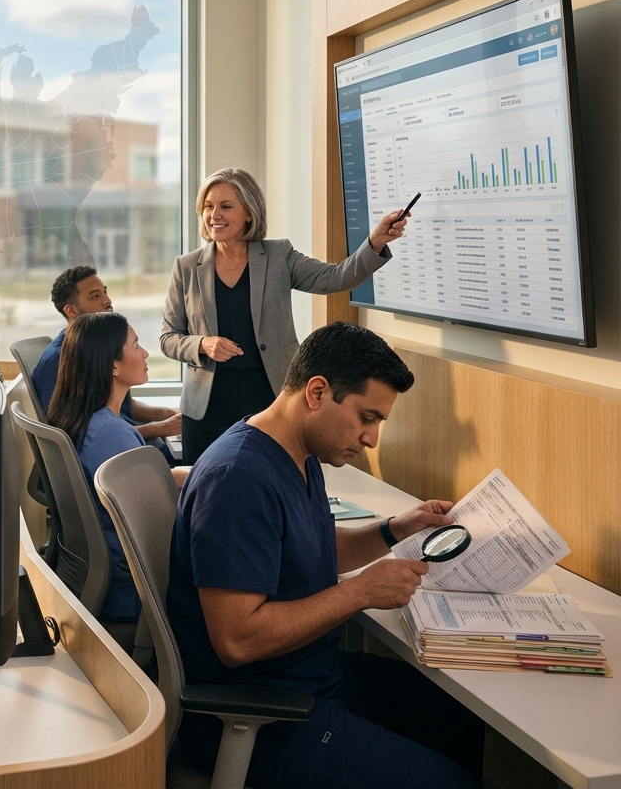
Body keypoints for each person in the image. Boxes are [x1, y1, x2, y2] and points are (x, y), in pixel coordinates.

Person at [166, 322, 483, 788]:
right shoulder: (239, 480)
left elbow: (308, 549)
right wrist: (361, 592)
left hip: (312, 677)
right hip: (263, 717)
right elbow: (237, 640)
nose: (372, 438)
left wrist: (395, 529)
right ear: (317, 392)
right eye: (366, 417)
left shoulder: (296, 450)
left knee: (461, 718)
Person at [160, 168, 408, 464]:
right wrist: (202, 344)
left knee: (270, 481)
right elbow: (168, 338)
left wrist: (375, 243)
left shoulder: (278, 255)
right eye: (208, 206)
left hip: (270, 399)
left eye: (226, 206)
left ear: (249, 213)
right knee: (205, 489)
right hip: (206, 407)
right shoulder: (186, 267)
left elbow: (336, 278)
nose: (214, 214)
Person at [47, 311, 189, 651]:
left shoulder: (84, 419)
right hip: (136, 592)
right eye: (136, 346)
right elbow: (158, 525)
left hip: (106, 583)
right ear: (113, 365)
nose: (145, 354)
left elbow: (137, 489)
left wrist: (190, 475)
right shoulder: (114, 436)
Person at [33, 265, 180, 443]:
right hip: (119, 451)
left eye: (105, 292)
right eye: (95, 296)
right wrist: (160, 428)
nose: (108, 301)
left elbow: (123, 406)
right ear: (71, 311)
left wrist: (168, 414)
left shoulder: (94, 346)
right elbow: (79, 435)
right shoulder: (60, 360)